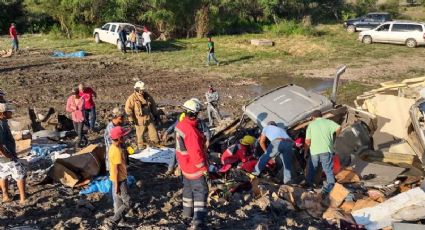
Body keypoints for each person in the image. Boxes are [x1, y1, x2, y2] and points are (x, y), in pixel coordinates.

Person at [175, 99, 209, 230]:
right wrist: (204, 168)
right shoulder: (191, 131)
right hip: (194, 169)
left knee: (188, 192)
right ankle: (198, 222)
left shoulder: (181, 125)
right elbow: (196, 153)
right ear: (195, 114)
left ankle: (186, 215)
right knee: (201, 192)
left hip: (185, 168)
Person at [161, 98, 211, 175]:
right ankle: (171, 169)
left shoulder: (199, 122)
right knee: (177, 154)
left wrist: (207, 140)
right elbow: (174, 126)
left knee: (191, 156)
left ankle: (178, 169)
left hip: (194, 144)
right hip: (183, 143)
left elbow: (207, 131)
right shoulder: (182, 120)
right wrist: (166, 132)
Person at [102, 126, 132, 230]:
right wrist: (117, 185)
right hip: (119, 180)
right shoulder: (116, 151)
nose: (125, 138)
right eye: (123, 136)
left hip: (117, 179)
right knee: (128, 202)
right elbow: (115, 170)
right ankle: (113, 221)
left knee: (119, 202)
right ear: (119, 138)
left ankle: (121, 222)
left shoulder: (114, 147)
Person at [305, 110, 341, 194]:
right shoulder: (328, 122)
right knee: (328, 169)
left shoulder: (311, 125)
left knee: (312, 168)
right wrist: (336, 136)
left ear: (313, 117)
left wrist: (306, 151)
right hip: (326, 149)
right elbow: (339, 127)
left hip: (314, 151)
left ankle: (309, 185)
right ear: (321, 115)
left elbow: (307, 141)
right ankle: (331, 186)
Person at [0, 103, 26, 204]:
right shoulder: (1, 124)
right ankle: (23, 198)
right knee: (21, 174)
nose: (11, 113)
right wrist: (6, 154)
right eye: (9, 112)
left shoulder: (3, 122)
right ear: (2, 113)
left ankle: (5, 196)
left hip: (2, 157)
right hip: (7, 155)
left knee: (3, 175)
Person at [125, 81, 160, 150]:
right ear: (137, 89)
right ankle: (141, 148)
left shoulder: (148, 96)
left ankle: (156, 146)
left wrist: (156, 115)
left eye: (143, 90)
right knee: (140, 136)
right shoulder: (132, 98)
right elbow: (128, 109)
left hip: (149, 118)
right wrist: (131, 120)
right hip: (139, 120)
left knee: (154, 133)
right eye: (141, 90)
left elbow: (153, 106)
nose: (142, 91)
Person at [104, 107, 126, 171]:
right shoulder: (111, 128)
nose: (124, 119)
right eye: (123, 117)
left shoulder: (116, 125)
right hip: (114, 157)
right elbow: (116, 144)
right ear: (119, 117)